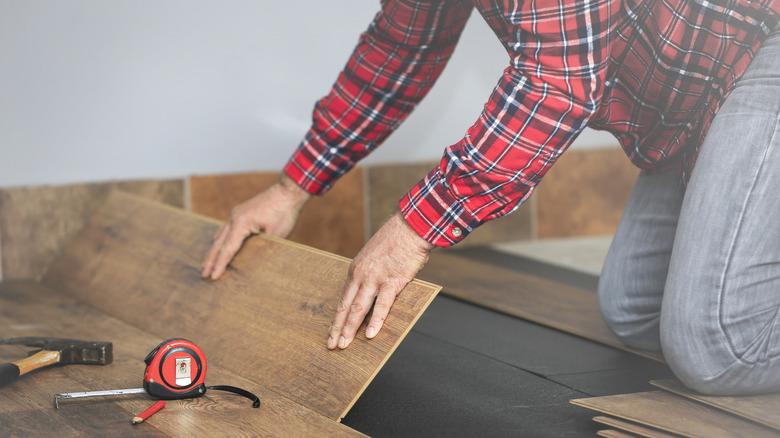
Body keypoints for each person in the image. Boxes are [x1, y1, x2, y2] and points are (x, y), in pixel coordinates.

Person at [202, 0, 780, 395]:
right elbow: (399, 48)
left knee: (716, 352)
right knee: (633, 314)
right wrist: (290, 189)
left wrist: (411, 231)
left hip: (766, 48)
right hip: (703, 87)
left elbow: (555, 86)